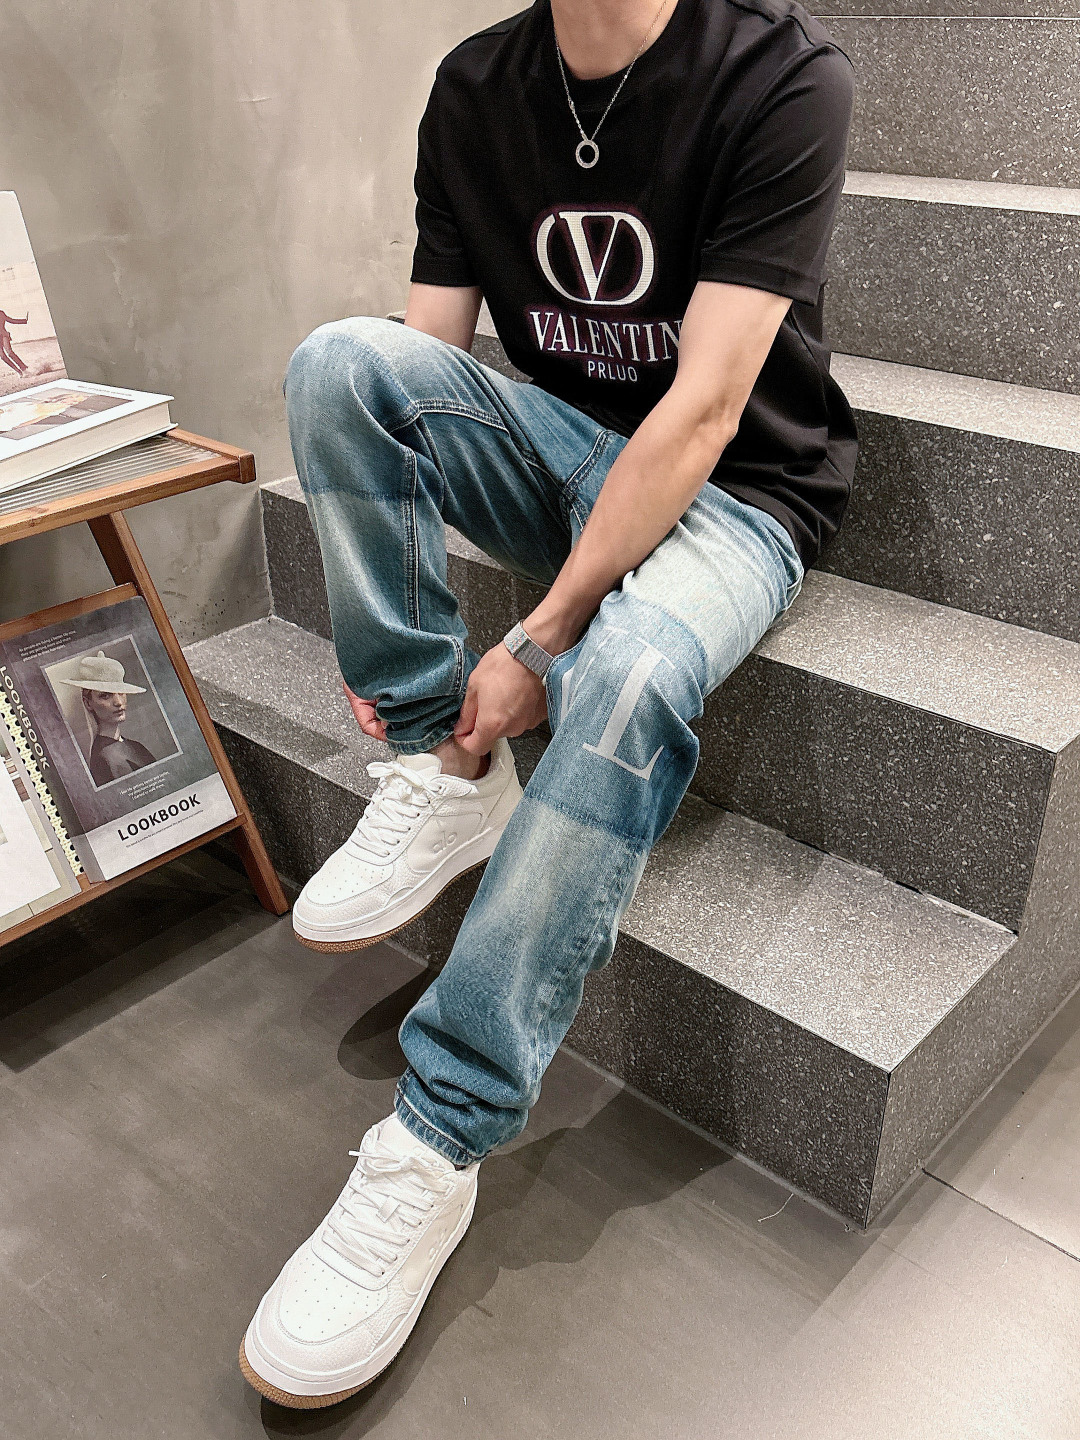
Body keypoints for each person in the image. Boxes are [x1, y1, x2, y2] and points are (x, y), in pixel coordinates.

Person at [241, 0, 856, 1408]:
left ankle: (435, 1140)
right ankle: (436, 770)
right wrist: (405, 614)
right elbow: (423, 368)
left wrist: (542, 631)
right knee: (338, 363)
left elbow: (705, 412)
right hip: (570, 449)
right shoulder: (476, 84)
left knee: (626, 678)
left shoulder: (780, 74)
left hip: (742, 495)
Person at [59, 650, 156, 785]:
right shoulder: (102, 759)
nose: (118, 702)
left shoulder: (136, 746)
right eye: (105, 696)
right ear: (88, 703)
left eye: (121, 692)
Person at [0, 310, 30, 376]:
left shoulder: (1, 313)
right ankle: (18, 371)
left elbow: (11, 320)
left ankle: (23, 367)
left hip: (4, 335)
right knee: (2, 356)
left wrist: (24, 321)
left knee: (10, 353)